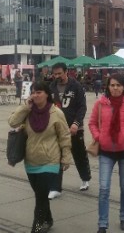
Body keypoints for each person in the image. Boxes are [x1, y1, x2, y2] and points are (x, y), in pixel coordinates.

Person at [8, 81, 72, 233]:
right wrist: (25, 107)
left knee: (40, 198)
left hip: (50, 161)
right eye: (33, 92)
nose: (35, 95)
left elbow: (64, 136)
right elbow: (12, 122)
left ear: (47, 94)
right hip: (31, 160)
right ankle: (48, 220)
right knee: (40, 195)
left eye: (39, 92)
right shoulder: (28, 111)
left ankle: (36, 228)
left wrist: (66, 158)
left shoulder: (56, 113)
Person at [89, 73, 124, 233]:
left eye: (118, 85)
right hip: (106, 152)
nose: (115, 88)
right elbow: (92, 123)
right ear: (108, 86)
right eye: (112, 85)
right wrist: (98, 136)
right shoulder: (100, 104)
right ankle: (102, 223)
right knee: (104, 188)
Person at [48, 62, 91, 198]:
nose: (57, 76)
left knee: (79, 155)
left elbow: (82, 107)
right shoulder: (51, 87)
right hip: (57, 128)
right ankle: (55, 187)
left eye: (59, 73)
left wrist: (76, 124)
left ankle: (85, 178)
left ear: (66, 72)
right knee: (56, 157)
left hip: (74, 128)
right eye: (55, 74)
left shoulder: (76, 86)